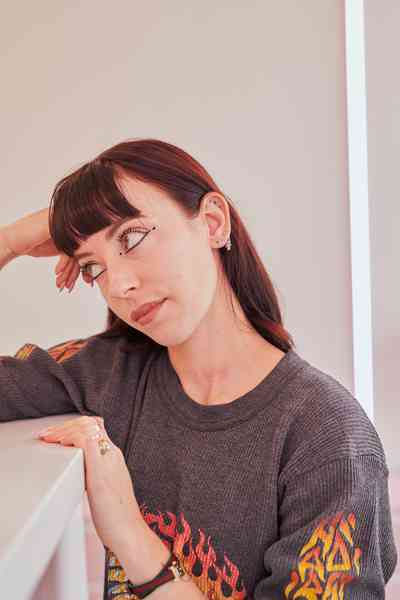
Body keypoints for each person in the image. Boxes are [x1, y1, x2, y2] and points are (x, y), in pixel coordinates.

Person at [0, 138, 397, 600]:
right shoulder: (112, 372)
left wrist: (131, 536)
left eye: (131, 237)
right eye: (94, 268)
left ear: (212, 222)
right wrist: (11, 239)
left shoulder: (329, 439)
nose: (120, 285)